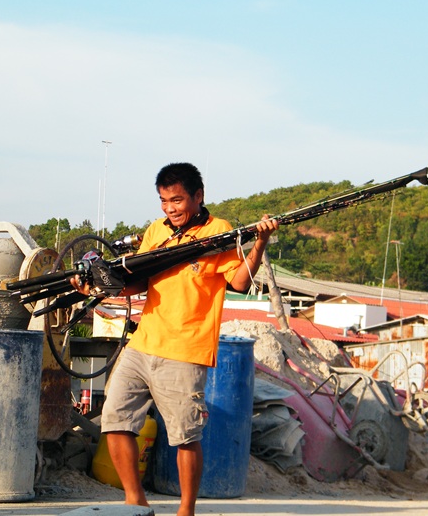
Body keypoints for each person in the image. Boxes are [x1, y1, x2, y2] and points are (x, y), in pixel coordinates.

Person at [75, 162, 278, 516]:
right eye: (164, 201)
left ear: (198, 196)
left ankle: (186, 509)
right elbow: (137, 280)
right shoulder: (157, 231)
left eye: (177, 200)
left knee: (185, 435)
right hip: (143, 342)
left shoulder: (219, 232)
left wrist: (260, 242)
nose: (171, 208)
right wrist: (98, 285)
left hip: (186, 349)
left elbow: (241, 283)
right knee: (115, 420)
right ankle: (135, 500)